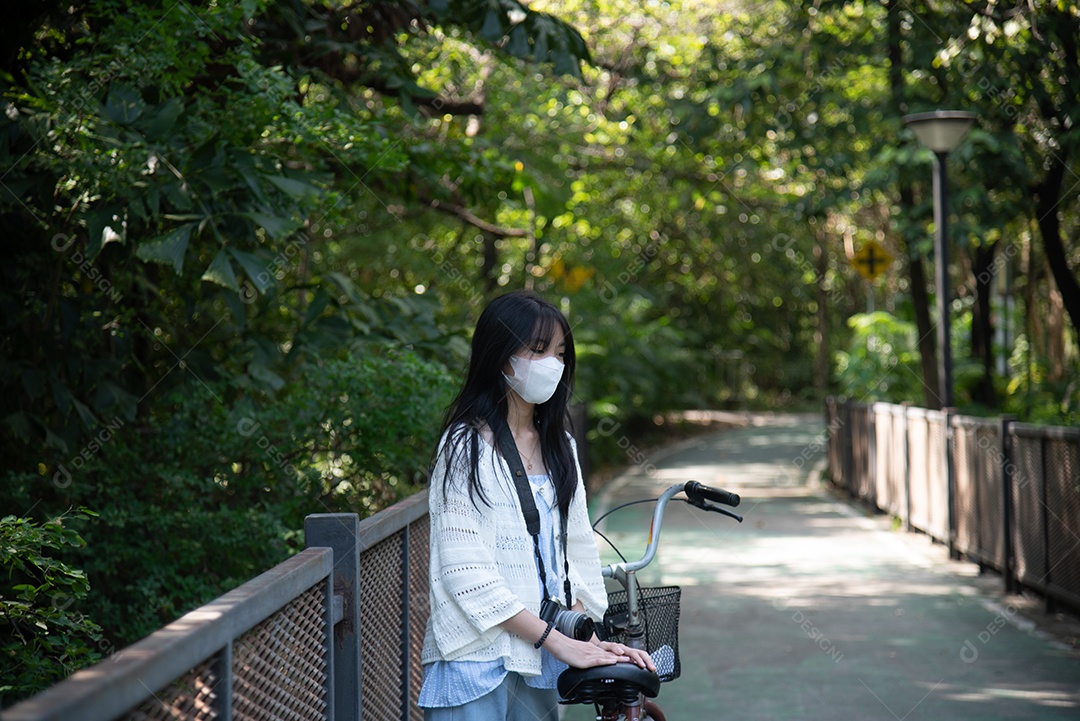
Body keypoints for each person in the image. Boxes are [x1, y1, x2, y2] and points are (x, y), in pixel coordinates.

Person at [419, 290, 654, 721]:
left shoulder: (559, 445)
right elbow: (465, 571)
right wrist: (557, 640)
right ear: (501, 355)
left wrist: (583, 637)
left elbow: (578, 551)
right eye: (539, 350)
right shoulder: (464, 447)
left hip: (538, 661)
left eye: (561, 353)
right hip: (477, 662)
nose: (553, 364)